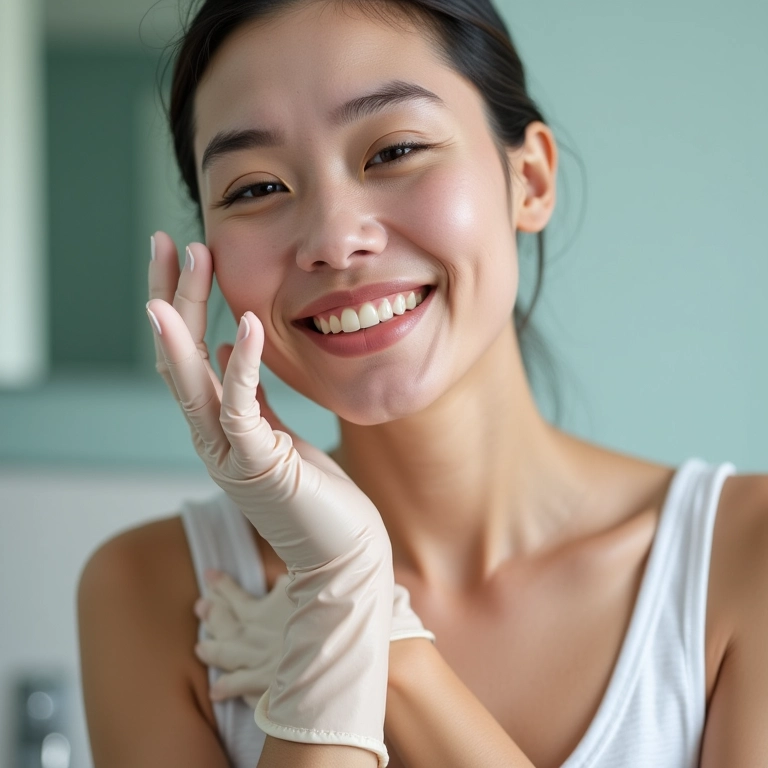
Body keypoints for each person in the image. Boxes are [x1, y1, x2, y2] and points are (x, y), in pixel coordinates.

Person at [76, 0, 768, 765]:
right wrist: (343, 591)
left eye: (394, 149)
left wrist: (380, 644)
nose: (335, 240)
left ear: (530, 180)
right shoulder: (154, 594)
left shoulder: (745, 557)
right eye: (256, 189)